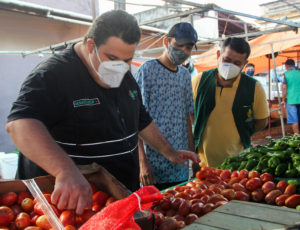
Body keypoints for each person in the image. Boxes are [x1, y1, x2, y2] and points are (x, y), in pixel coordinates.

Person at [6, 10, 199, 215]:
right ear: (91, 46)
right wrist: (65, 170)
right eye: (112, 57)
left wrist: (169, 151)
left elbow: (140, 119)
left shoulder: (125, 77)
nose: (120, 67)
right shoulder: (53, 75)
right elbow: (20, 124)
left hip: (118, 201)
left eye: (127, 60)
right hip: (70, 207)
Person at [134, 22, 198, 190]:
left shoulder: (185, 75)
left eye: (189, 47)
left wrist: (193, 158)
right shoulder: (147, 71)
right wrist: (142, 162)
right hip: (153, 166)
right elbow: (135, 119)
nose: (184, 51)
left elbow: (187, 119)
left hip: (180, 165)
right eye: (179, 45)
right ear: (166, 42)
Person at [192, 37, 269, 172]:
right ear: (218, 55)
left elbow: (262, 122)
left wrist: (244, 131)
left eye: (237, 63)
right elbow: (190, 116)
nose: (230, 66)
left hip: (238, 165)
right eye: (226, 60)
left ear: (245, 64)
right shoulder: (199, 81)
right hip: (203, 165)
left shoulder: (254, 87)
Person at [282, 59, 300, 134]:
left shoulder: (286, 74)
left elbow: (284, 88)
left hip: (291, 100)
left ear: (287, 66)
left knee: (294, 120)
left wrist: (283, 99)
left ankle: (298, 139)